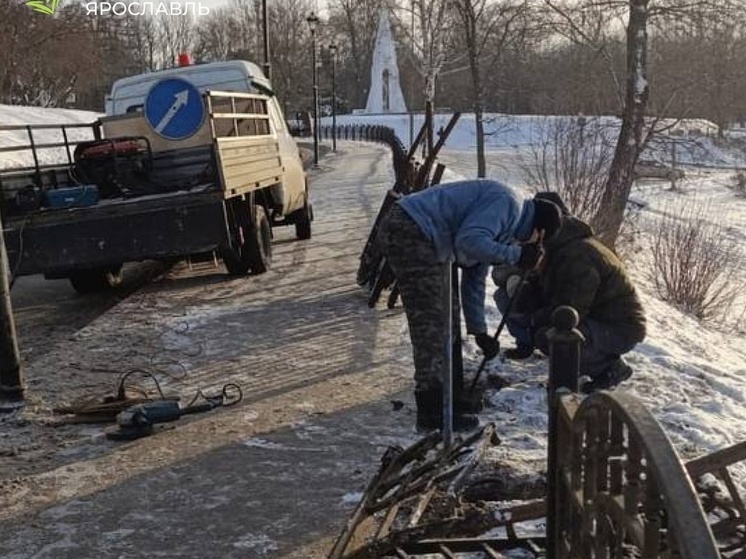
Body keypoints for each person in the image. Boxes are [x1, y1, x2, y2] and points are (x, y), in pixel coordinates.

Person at [378, 179, 563, 431]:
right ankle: (432, 411)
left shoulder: (507, 228)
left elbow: (475, 276)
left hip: (423, 234)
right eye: (536, 243)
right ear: (538, 232)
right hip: (411, 229)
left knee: (448, 316)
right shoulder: (508, 204)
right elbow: (469, 241)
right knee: (433, 323)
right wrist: (518, 256)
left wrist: (480, 332)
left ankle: (448, 399)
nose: (530, 247)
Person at [510, 201, 647, 392]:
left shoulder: (578, 256)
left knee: (551, 337)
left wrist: (535, 318)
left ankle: (609, 369)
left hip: (618, 327)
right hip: (599, 319)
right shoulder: (560, 249)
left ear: (542, 232)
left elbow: (570, 311)